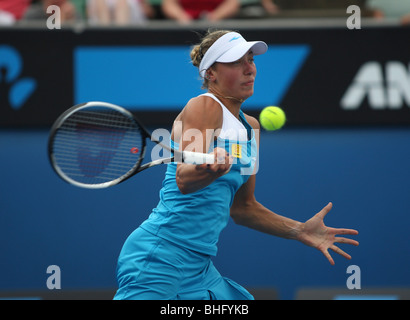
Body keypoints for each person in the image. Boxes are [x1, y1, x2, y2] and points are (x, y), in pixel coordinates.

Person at [114, 29, 359, 300]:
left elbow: (244, 209)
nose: (249, 69)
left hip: (199, 267)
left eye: (251, 60)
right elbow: (184, 179)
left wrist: (299, 230)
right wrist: (207, 169)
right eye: (235, 62)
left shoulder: (250, 128)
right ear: (211, 73)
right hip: (160, 256)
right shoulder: (203, 106)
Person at [161, 0, 240, 24]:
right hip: (183, 26)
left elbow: (232, 3)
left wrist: (216, 16)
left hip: (217, 26)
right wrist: (181, 16)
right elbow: (169, 4)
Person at [87, 0, 154, 25]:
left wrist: (142, 4)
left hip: (132, 20)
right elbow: (89, 13)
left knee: (122, 3)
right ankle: (104, 38)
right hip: (100, 21)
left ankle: (120, 39)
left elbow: (149, 12)